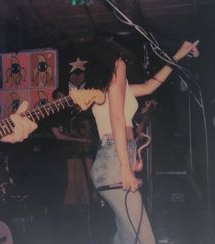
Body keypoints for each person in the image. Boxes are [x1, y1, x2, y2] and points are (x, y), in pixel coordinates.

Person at [85, 40, 199, 244]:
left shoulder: (112, 89)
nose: (124, 64)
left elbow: (150, 86)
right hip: (114, 163)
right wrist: (125, 169)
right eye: (121, 60)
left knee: (127, 237)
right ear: (114, 60)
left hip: (113, 161)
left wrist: (178, 55)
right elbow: (117, 119)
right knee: (144, 239)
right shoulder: (117, 70)